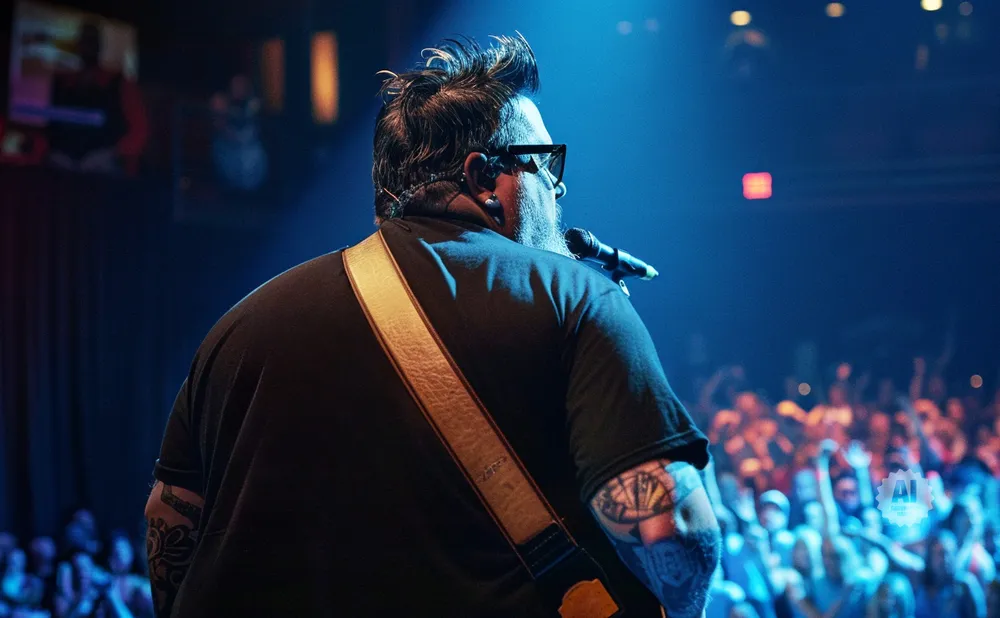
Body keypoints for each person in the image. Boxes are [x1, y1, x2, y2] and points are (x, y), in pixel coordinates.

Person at [146, 34, 718, 618]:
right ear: (487, 178)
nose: (557, 188)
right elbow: (673, 529)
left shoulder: (237, 329)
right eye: (544, 164)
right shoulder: (574, 296)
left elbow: (169, 522)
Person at [47, 21, 148, 175]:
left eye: (92, 41)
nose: (88, 46)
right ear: (78, 45)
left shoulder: (120, 83)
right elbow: (48, 128)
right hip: (61, 170)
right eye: (85, 41)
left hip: (104, 173)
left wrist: (112, 154)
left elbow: (140, 131)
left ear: (99, 46)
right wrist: (53, 153)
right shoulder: (61, 83)